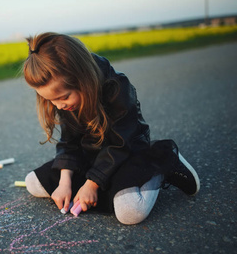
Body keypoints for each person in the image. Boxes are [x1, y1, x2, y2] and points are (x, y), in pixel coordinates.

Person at [22, 32, 200, 225]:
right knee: (33, 182)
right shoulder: (64, 101)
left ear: (83, 79)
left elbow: (120, 144)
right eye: (50, 100)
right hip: (92, 155)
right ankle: (97, 187)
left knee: (130, 213)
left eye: (63, 97)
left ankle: (162, 163)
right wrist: (65, 182)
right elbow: (69, 142)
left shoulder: (117, 88)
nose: (58, 106)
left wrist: (91, 184)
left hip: (125, 154)